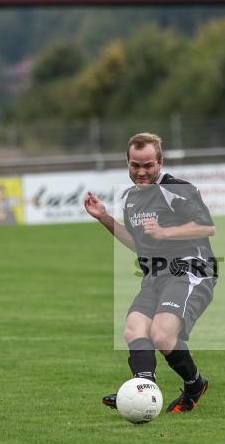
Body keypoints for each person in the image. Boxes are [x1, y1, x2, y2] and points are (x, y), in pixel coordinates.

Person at [84, 132, 215, 414]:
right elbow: (138, 245)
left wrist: (166, 232)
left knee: (163, 335)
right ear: (128, 163)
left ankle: (195, 385)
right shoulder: (131, 199)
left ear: (160, 162)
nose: (141, 172)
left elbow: (206, 227)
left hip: (190, 270)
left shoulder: (177, 189)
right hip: (155, 275)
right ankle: (144, 391)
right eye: (135, 165)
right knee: (134, 329)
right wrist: (104, 217)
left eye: (148, 166)